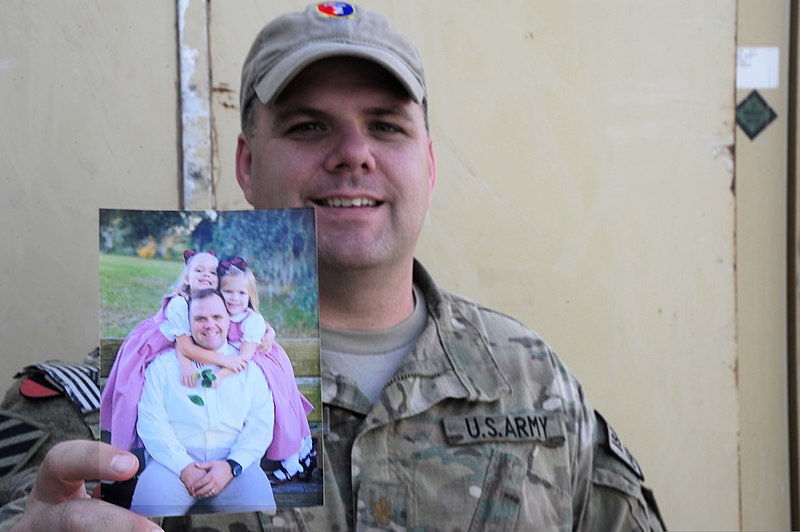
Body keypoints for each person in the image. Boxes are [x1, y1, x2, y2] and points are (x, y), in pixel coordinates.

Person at [3, 3, 666, 531]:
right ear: (245, 163)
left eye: (385, 126)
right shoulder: (91, 411)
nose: (354, 153)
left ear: (428, 164)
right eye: (308, 127)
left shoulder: (533, 380)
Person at [128, 288, 276, 517]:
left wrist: (232, 466)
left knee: (262, 510)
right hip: (172, 467)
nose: (210, 325)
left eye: (217, 317)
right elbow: (151, 422)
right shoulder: (163, 367)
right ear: (188, 323)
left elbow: (261, 425)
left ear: (229, 319)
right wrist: (184, 466)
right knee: (146, 512)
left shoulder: (249, 370)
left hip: (236, 468)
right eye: (200, 318)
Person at [100, 250, 248, 454]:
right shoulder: (179, 303)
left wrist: (268, 331)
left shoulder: (213, 302)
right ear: (187, 277)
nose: (206, 275)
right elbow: (186, 346)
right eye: (199, 270)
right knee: (131, 395)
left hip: (175, 345)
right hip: (146, 348)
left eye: (212, 272)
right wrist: (225, 360)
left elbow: (246, 316)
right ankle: (121, 458)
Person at [216, 257, 315, 483]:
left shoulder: (252, 320)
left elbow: (245, 356)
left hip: (266, 363)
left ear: (250, 295)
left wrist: (219, 375)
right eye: (228, 291)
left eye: (241, 293)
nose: (234, 298)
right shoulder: (220, 314)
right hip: (249, 365)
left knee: (279, 407)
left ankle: (293, 463)